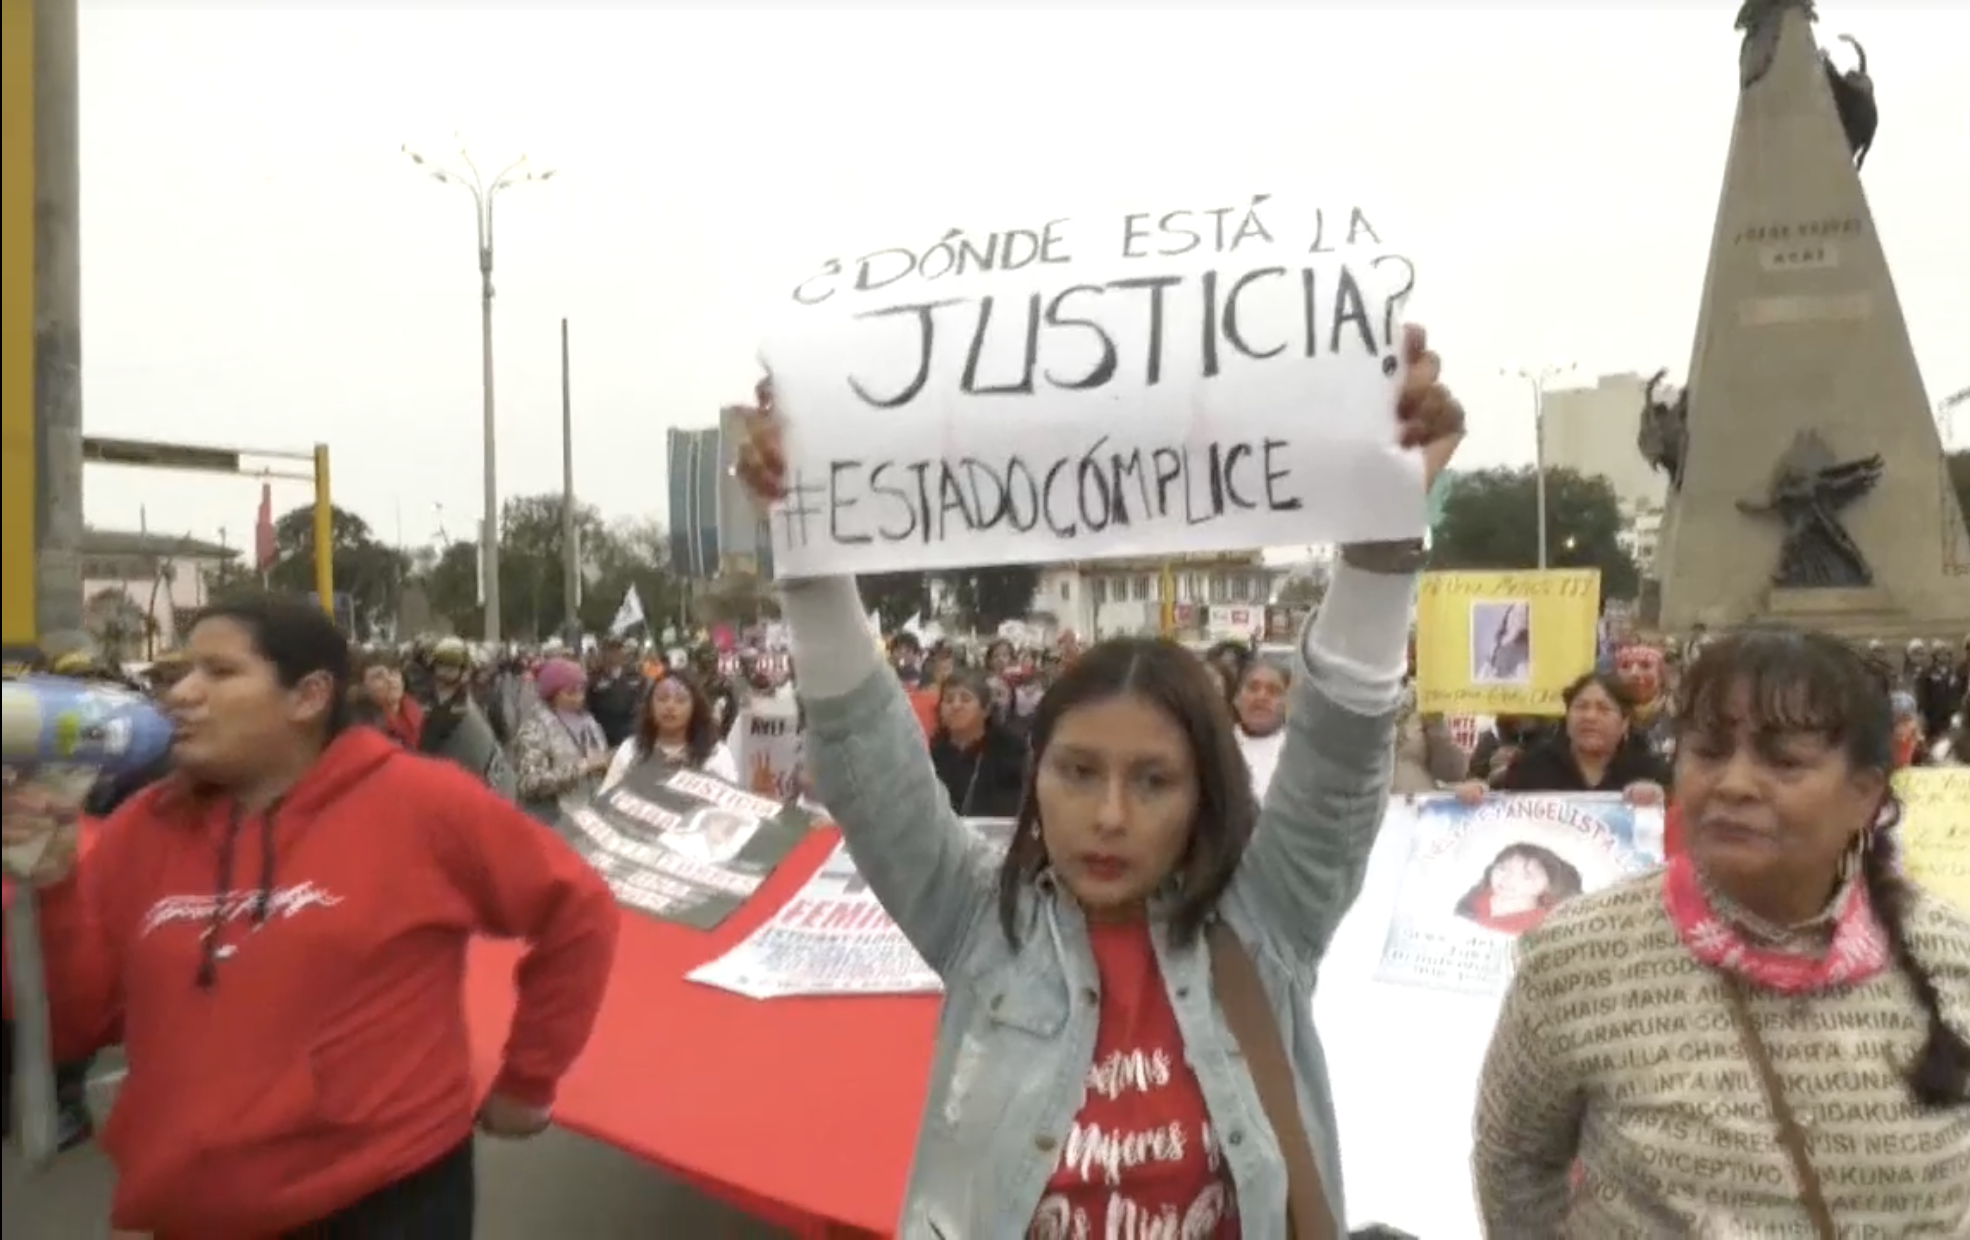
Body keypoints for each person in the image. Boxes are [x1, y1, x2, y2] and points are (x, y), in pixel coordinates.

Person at [731, 323, 1464, 1236]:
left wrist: (1385, 533)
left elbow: (1341, 752)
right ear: (1033, 774)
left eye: (1154, 782)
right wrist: (807, 534)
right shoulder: (978, 923)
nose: (1108, 816)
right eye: (1078, 772)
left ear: (1208, 797)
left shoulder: (1266, 924)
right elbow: (865, 749)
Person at [6, 593, 619, 1237]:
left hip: (385, 1198)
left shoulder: (422, 804)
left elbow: (579, 912)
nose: (180, 693)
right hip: (193, 1212)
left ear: (308, 697)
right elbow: (75, 1027)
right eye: (181, 672)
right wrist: (54, 893)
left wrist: (528, 1081)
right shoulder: (141, 830)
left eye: (219, 672)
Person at [1473, 627, 1970, 1233]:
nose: (1733, 784)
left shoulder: (1950, 956)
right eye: (1708, 752)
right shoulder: (1576, 956)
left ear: (1864, 795)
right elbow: (1516, 1166)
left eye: (1784, 760)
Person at [1453, 671, 1668, 806]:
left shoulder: (1652, 772)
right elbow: (1499, 815)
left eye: (1603, 709)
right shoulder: (1532, 767)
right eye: (1581, 707)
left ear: (1624, 723)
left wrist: (1659, 801)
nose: (1590, 716)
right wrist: (1477, 794)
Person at [599, 671, 739, 791]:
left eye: (681, 700)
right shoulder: (630, 750)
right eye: (662, 698)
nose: (670, 706)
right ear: (650, 706)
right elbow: (604, 800)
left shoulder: (716, 754)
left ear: (695, 707)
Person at [512, 656, 612, 822]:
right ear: (552, 693)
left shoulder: (590, 723)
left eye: (581, 690)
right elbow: (529, 782)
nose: (578, 697)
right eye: (571, 692)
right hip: (556, 821)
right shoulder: (535, 728)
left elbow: (601, 761)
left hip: (592, 818)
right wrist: (581, 767)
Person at [927, 667, 1027, 818]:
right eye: (948, 700)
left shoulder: (1011, 753)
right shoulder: (930, 754)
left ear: (985, 709)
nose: (956, 706)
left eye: (966, 699)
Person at [1453, 841, 1582, 935]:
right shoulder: (1471, 903)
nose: (1509, 879)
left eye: (1527, 875)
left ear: (1549, 885)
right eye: (1503, 868)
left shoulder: (1551, 923)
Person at [1230, 659, 1290, 796]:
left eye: (1273, 691)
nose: (1261, 697)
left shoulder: (1299, 752)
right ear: (1236, 699)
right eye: (1253, 688)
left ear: (1287, 703)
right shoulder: (1217, 746)